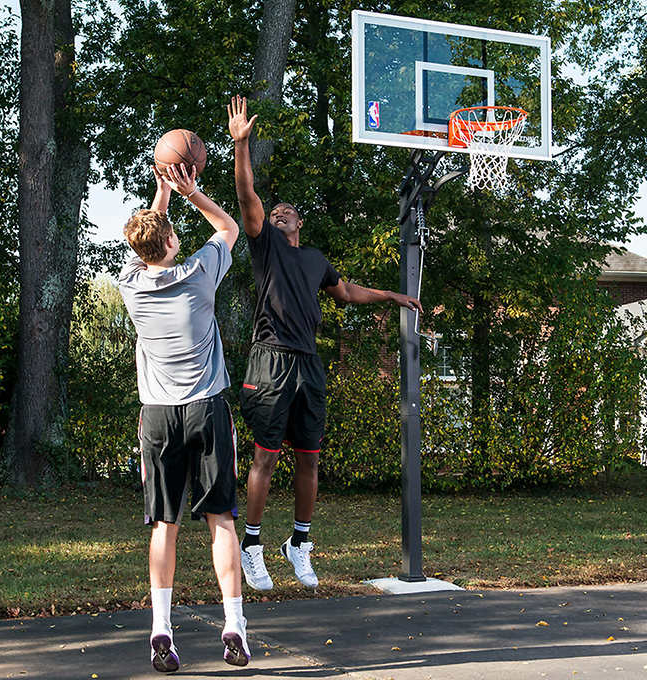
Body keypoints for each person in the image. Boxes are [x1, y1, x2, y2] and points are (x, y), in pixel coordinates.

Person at [227, 95, 423, 591]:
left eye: (288, 211)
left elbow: (347, 292)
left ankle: (299, 542)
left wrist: (393, 294)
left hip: (308, 364)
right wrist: (241, 146)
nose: (280, 212)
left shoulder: (314, 258)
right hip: (270, 360)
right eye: (275, 212)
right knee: (266, 457)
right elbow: (248, 195)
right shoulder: (264, 245)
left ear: (300, 224)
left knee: (310, 457)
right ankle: (251, 544)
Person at [119, 163, 250, 672]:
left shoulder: (130, 284)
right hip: (207, 408)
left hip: (158, 417)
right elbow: (229, 228)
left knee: (164, 526)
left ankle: (161, 629)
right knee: (221, 520)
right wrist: (189, 192)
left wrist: (159, 195)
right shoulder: (198, 273)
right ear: (174, 242)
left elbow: (148, 241)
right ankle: (234, 624)